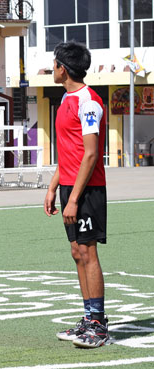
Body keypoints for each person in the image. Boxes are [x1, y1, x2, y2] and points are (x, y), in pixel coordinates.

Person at [44, 41, 109, 348]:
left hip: (87, 189)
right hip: (69, 186)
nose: (51, 68)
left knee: (88, 252)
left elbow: (91, 154)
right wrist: (54, 185)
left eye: (54, 64)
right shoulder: (66, 99)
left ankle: (98, 323)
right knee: (76, 252)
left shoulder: (89, 102)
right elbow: (69, 152)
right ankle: (88, 318)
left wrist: (73, 198)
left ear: (63, 69)